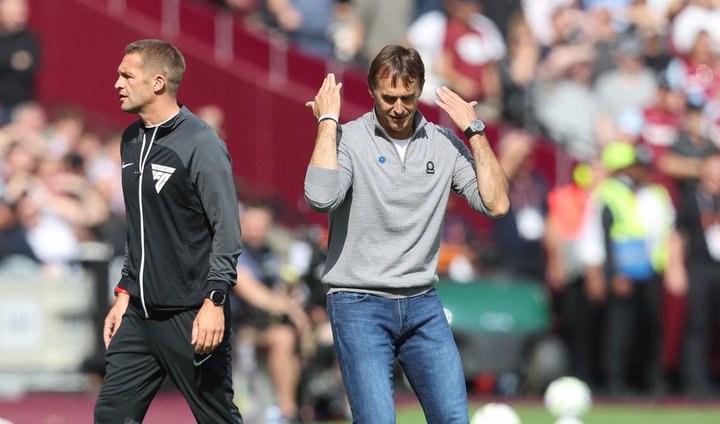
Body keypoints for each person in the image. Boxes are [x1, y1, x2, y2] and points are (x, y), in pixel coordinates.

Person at [303, 45, 509, 423]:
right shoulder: (348, 138)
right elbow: (320, 198)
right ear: (370, 91)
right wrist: (327, 122)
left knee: (453, 419)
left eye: (408, 98)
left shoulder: (445, 143)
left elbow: (496, 203)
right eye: (389, 97)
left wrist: (474, 130)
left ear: (421, 90)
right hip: (358, 303)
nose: (398, 107)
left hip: (422, 303)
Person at [93, 39, 244, 423]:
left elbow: (227, 228)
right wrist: (126, 292)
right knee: (111, 416)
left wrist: (215, 300)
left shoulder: (201, 142)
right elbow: (140, 227)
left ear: (158, 82)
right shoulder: (129, 140)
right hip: (139, 315)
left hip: (192, 313)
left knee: (216, 417)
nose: (117, 83)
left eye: (127, 75)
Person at [578, 141, 674, 396]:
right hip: (621, 269)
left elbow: (665, 232)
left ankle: (649, 380)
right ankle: (615, 380)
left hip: (651, 269)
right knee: (619, 329)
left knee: (650, 327)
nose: (642, 170)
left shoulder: (654, 194)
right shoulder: (608, 193)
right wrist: (606, 271)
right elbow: (597, 236)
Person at [665, 153, 720, 398]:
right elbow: (677, 235)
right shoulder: (691, 199)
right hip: (698, 267)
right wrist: (675, 268)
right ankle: (694, 381)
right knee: (697, 324)